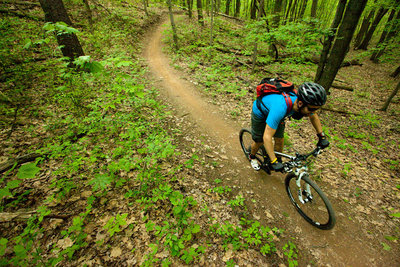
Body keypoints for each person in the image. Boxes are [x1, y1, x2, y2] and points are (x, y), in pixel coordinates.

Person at [249, 82, 330, 171]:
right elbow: (267, 137)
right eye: (311, 109)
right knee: (259, 141)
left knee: (280, 140)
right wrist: (273, 162)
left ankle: (277, 159)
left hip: (277, 114)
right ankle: (252, 156)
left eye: (316, 109)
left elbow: (313, 116)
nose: (313, 112)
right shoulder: (280, 108)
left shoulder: (303, 104)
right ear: (300, 103)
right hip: (260, 113)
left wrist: (321, 136)